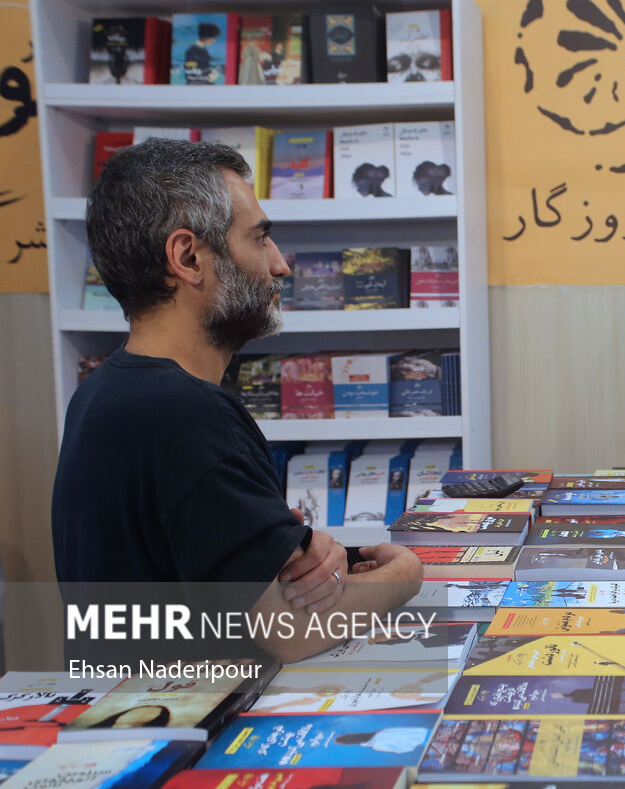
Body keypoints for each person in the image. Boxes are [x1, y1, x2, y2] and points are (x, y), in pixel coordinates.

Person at [52, 138, 421, 665]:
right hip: (198, 728)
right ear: (187, 257)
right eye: (260, 238)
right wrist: (404, 573)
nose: (279, 266)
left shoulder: (102, 392)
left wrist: (294, 548)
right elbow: (288, 631)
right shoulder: (187, 414)